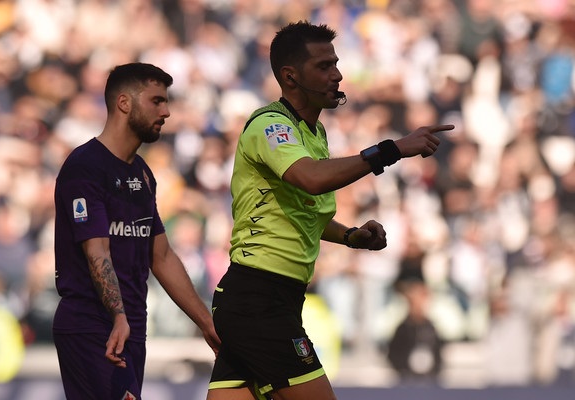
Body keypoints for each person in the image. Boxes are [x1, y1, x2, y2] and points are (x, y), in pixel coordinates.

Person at [206, 21, 454, 400]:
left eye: (335, 63)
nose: (337, 75)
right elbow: (311, 179)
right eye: (323, 66)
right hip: (259, 298)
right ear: (290, 76)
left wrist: (350, 236)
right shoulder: (271, 125)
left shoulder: (315, 133)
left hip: (268, 299)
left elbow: (308, 211)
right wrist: (392, 150)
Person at [52, 62, 220, 400]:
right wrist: (117, 315)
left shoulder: (142, 174)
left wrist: (206, 323)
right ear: (124, 103)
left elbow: (161, 256)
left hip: (132, 328)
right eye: (157, 101)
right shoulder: (85, 167)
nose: (167, 112)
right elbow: (96, 251)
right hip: (92, 325)